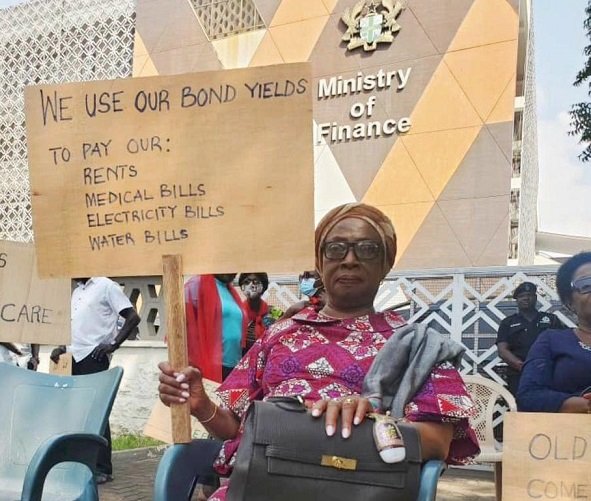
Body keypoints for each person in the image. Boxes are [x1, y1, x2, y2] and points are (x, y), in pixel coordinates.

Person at [158, 203, 479, 500]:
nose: (349, 259)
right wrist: (201, 405)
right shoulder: (281, 335)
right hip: (260, 487)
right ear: (319, 261)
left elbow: (438, 442)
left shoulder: (418, 345)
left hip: (359, 489)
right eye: (336, 248)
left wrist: (370, 423)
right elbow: (238, 429)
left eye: (367, 249)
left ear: (386, 263)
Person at [50, 277, 140, 484]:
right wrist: (62, 348)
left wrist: (113, 344)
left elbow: (133, 317)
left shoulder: (106, 286)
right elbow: (76, 324)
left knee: (96, 411)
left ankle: (103, 467)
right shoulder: (76, 291)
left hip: (94, 356)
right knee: (77, 411)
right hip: (73, 357)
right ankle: (82, 462)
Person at [518, 252, 591, 413]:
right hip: (571, 435)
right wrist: (583, 405)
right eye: (587, 285)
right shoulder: (552, 340)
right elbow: (528, 396)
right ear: (569, 302)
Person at [496, 281, 564, 396]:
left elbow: (563, 344)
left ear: (536, 297)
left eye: (529, 295)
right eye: (521, 296)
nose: (526, 298)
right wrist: (522, 366)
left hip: (548, 373)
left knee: (549, 407)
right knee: (520, 408)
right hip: (518, 374)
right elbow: (502, 350)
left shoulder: (551, 319)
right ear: (517, 300)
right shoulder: (508, 322)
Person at [184, 274, 246, 383]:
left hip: (233, 365)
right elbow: (183, 320)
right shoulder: (197, 284)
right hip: (211, 365)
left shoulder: (231, 291)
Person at [237, 273, 282, 353]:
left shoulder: (275, 314)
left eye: (256, 282)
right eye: (247, 282)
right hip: (240, 361)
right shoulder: (237, 313)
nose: (251, 285)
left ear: (263, 287)